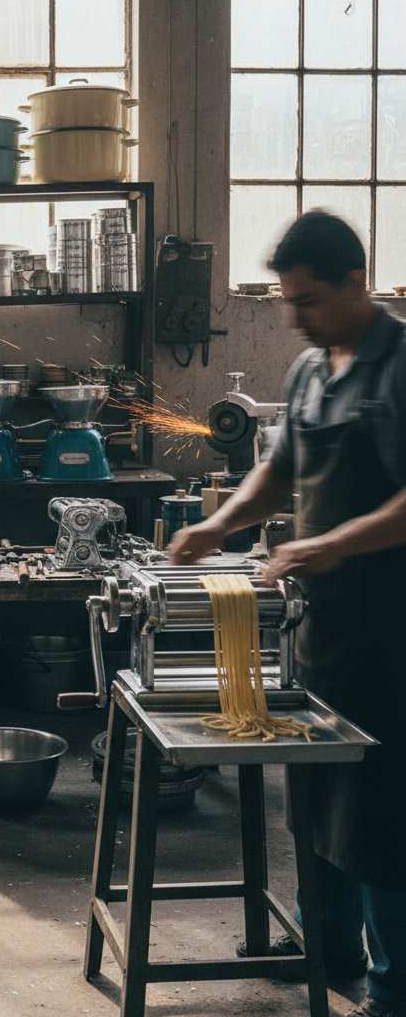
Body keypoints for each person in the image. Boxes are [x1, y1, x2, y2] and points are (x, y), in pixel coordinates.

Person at [170, 210, 406, 1017]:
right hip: (325, 626)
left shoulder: (401, 366)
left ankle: (393, 984)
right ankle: (325, 942)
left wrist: (330, 543)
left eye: (307, 299)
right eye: (287, 302)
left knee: (382, 810)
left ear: (354, 283)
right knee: (314, 796)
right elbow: (277, 474)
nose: (294, 316)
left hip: (394, 630)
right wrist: (218, 524)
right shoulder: (309, 372)